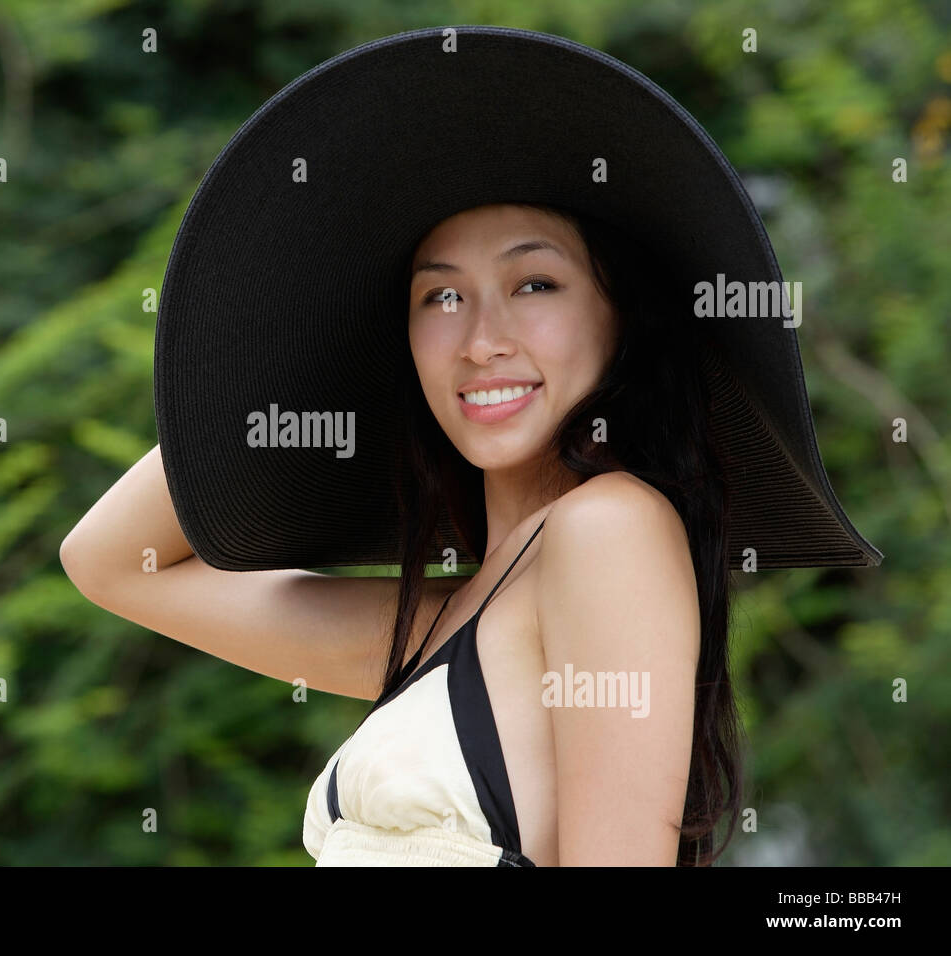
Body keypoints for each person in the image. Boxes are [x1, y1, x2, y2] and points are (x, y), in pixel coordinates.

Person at [60, 27, 881, 867]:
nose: (481, 339)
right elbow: (111, 561)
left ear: (622, 314)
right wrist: (325, 340)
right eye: (440, 296)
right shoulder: (439, 621)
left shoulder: (611, 530)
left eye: (534, 284)